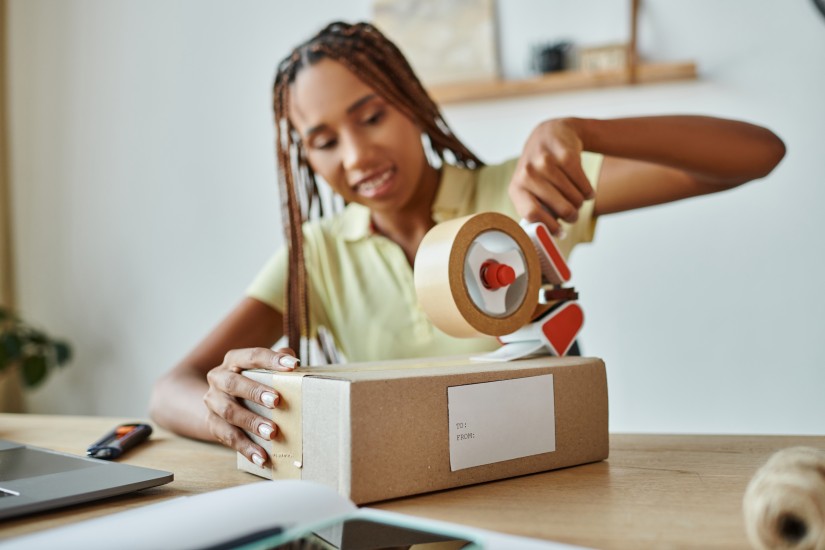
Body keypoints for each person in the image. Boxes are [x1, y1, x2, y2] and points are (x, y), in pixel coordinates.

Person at [149, 21, 785, 468]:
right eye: (323, 140)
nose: (358, 154)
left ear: (412, 104)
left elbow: (756, 155)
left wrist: (581, 127)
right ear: (305, 158)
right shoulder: (317, 254)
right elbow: (169, 388)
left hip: (542, 490)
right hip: (400, 504)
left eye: (372, 116)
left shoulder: (517, 193)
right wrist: (231, 412)